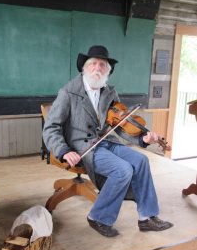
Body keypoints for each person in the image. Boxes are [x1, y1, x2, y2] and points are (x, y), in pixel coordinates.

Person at [43, 45, 173, 237]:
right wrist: (63, 150)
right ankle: (98, 217)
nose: (98, 68)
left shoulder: (109, 92)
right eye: (93, 63)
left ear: (108, 70)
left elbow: (119, 124)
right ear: (84, 68)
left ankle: (147, 217)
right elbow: (51, 128)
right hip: (84, 146)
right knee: (123, 169)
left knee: (141, 161)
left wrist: (142, 138)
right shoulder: (68, 92)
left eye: (102, 65)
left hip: (108, 142)